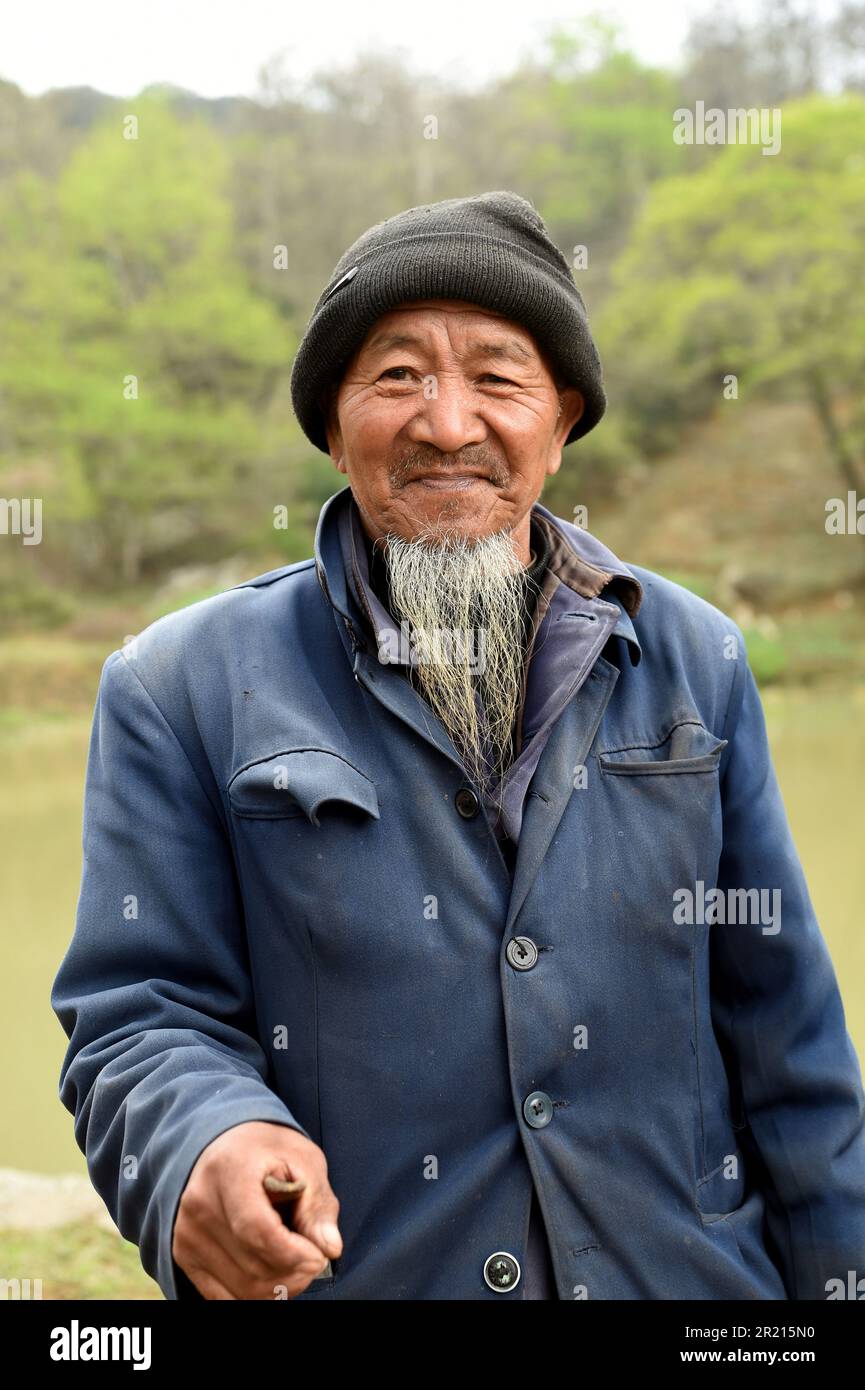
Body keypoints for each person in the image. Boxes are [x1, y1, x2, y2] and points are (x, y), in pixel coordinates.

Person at [52, 190, 865, 1300]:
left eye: (496, 377)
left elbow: (789, 1039)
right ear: (333, 428)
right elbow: (139, 1015)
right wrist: (206, 1138)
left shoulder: (695, 657)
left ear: (562, 422)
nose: (446, 423)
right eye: (396, 376)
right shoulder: (179, 684)